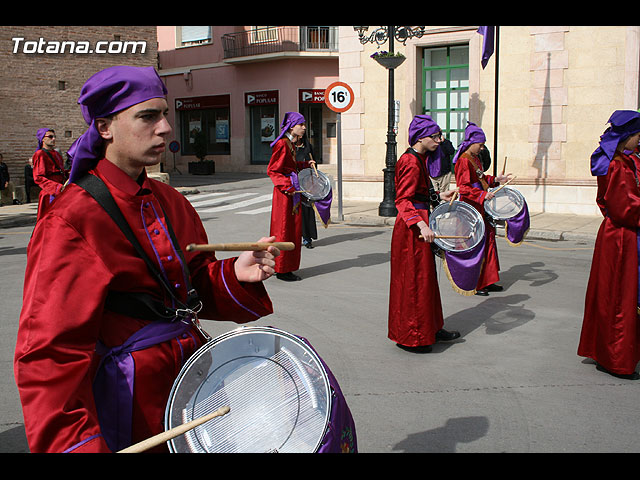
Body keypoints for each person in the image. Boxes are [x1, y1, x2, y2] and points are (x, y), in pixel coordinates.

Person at [14, 66, 279, 453]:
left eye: (165, 114)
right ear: (105, 127)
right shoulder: (72, 219)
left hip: (190, 380)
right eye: (148, 116)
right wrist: (78, 445)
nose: (166, 128)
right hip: (128, 401)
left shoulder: (170, 200)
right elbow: (50, 354)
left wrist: (235, 273)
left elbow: (187, 287)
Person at [388, 114, 459, 352]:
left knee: (426, 280)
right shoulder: (409, 161)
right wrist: (422, 225)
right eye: (435, 136)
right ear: (421, 137)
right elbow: (403, 200)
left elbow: (418, 192)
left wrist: (439, 196)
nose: (440, 140)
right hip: (412, 229)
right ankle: (413, 336)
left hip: (420, 223)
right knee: (415, 282)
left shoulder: (419, 158)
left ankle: (431, 326)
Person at [578, 110, 640, 380]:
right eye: (637, 135)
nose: (639, 141)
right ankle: (614, 358)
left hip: (624, 233)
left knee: (613, 295)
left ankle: (608, 349)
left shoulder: (628, 160)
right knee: (617, 297)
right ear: (627, 136)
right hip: (621, 237)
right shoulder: (616, 165)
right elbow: (624, 205)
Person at [453, 122, 511, 296]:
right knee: (475, 245)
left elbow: (481, 178)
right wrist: (481, 195)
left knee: (488, 242)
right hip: (471, 209)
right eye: (480, 144)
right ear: (472, 142)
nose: (482, 148)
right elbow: (463, 187)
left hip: (481, 207)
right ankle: (475, 282)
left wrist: (496, 179)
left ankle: (488, 279)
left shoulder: (475, 158)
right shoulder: (464, 160)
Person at [267, 112, 315, 281]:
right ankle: (281, 269)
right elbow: (273, 170)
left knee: (293, 230)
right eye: (301, 125)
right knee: (284, 230)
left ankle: (285, 266)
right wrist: (287, 186)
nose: (304, 128)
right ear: (292, 126)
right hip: (285, 194)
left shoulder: (291, 144)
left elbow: (290, 166)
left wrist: (305, 164)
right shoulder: (282, 144)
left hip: (291, 191)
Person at [32, 127, 68, 219]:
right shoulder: (40, 154)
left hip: (62, 190)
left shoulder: (57, 154)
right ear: (43, 139)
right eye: (50, 137)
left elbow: (61, 172)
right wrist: (56, 188)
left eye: (54, 136)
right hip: (50, 193)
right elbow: (38, 177)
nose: (54, 139)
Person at [295, 133, 318, 249]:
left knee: (306, 211)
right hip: (294, 183)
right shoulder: (290, 148)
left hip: (306, 183)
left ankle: (307, 239)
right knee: (295, 213)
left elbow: (313, 165)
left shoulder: (308, 148)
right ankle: (294, 239)